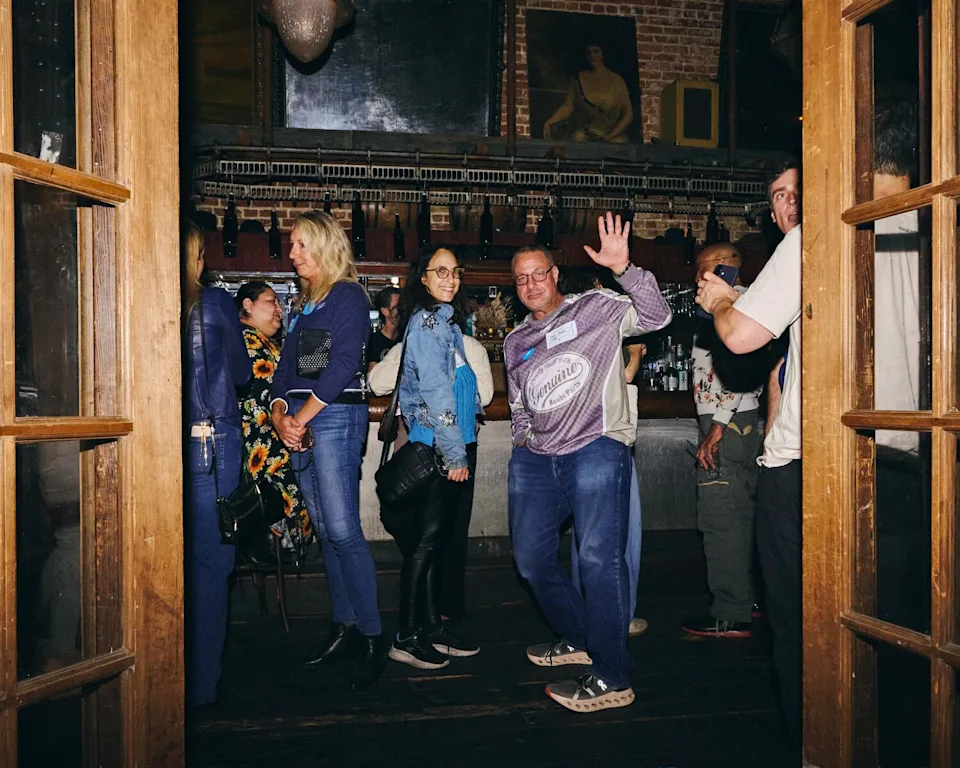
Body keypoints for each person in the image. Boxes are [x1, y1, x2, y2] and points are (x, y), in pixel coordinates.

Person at [506, 213, 671, 713]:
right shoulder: (515, 341)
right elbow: (517, 401)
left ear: (555, 274)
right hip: (537, 460)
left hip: (595, 447)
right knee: (531, 561)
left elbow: (657, 316)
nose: (532, 284)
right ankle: (579, 636)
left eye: (540, 273)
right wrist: (521, 441)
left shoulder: (597, 307)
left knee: (599, 560)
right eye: (521, 279)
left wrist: (626, 270)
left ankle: (614, 673)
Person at [695, 159, 802, 744]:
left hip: (800, 457)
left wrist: (720, 304)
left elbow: (740, 342)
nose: (786, 205)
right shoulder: (807, 256)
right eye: (777, 197)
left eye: (794, 192)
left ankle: (814, 739)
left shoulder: (805, 247)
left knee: (795, 616)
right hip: (797, 447)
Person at [269, 211, 385, 688]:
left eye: (299, 244)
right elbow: (282, 374)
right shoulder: (305, 303)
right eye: (291, 245)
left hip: (332, 415)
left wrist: (298, 417)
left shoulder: (348, 295)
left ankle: (374, 636)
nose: (291, 253)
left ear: (322, 244)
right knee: (326, 531)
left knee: (343, 529)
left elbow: (340, 369)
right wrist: (279, 415)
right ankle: (346, 628)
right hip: (300, 419)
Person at [376, 245, 486, 669]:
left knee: (433, 544)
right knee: (424, 547)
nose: (450, 278)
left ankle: (430, 628)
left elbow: (460, 388)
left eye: (455, 271)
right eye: (440, 271)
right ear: (422, 276)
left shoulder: (447, 324)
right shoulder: (426, 324)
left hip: (445, 445)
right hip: (437, 447)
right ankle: (406, 636)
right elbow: (438, 394)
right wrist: (456, 452)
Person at [369, 307, 494, 628]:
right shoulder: (412, 344)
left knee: (451, 533)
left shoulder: (470, 347)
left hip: (459, 450)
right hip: (422, 450)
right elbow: (377, 382)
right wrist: (413, 353)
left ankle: (445, 611)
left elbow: (487, 395)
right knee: (424, 536)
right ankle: (423, 618)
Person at [556, 265, 649, 638]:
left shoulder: (560, 324)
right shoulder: (603, 316)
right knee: (620, 536)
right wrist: (637, 355)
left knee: (587, 536)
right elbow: (622, 378)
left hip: (573, 444)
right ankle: (619, 616)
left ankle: (589, 611)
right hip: (609, 441)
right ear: (595, 286)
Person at [181, 219, 251, 707]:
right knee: (211, 564)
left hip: (167, 443)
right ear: (198, 256)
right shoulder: (214, 303)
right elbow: (242, 372)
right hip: (213, 441)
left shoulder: (146, 298)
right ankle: (202, 687)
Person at [681, 243, 763, 639]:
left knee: (720, 516)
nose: (697, 277)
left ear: (726, 268)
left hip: (725, 423)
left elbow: (736, 369)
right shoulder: (747, 303)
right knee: (744, 513)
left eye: (703, 269)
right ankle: (749, 599)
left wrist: (717, 425)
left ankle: (730, 613)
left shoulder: (728, 305)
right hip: (743, 422)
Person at [235, 281, 313, 564]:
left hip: (272, 444)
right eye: (271, 302)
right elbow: (266, 390)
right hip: (264, 449)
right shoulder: (248, 340)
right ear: (247, 305)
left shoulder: (263, 340)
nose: (279, 309)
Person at [542, 43, 633, 143]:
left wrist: (608, 137)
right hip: (588, 133)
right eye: (588, 53)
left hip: (612, 135)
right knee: (577, 139)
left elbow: (628, 115)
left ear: (603, 54)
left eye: (595, 51)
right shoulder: (578, 79)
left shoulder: (617, 80)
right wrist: (550, 122)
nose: (592, 55)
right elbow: (568, 106)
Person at [368, 286, 400, 367]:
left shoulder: (406, 338)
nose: (402, 310)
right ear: (385, 311)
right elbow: (372, 375)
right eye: (397, 307)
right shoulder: (374, 341)